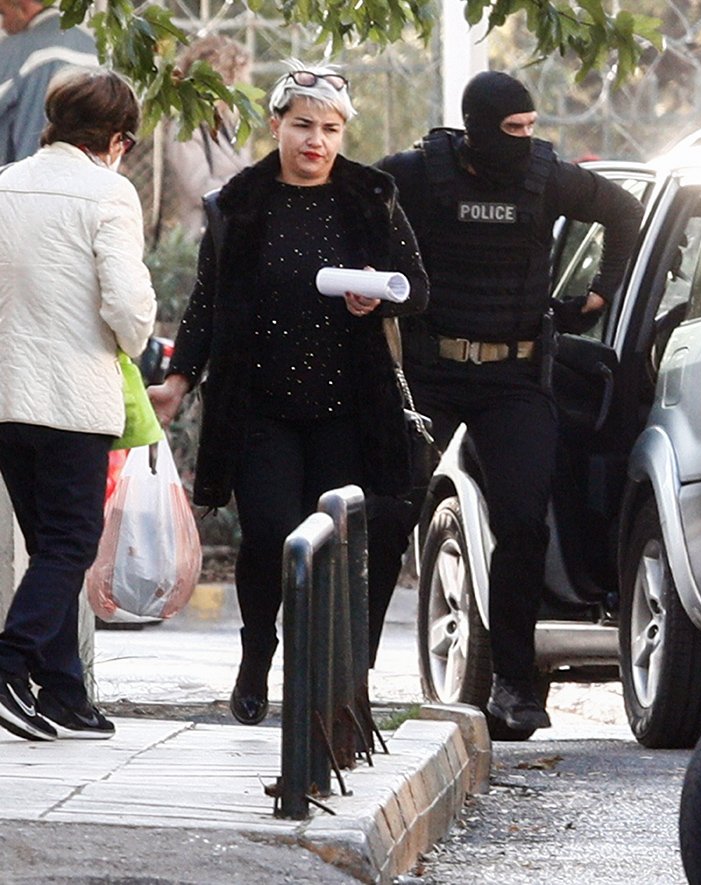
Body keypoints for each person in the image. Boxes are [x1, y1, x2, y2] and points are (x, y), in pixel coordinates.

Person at [145, 61, 429, 726]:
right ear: (276, 125)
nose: (315, 141)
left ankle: (333, 680)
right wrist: (179, 380)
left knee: (334, 546)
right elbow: (207, 302)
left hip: (348, 409)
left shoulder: (372, 196)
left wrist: (379, 295)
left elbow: (417, 287)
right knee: (270, 532)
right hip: (260, 405)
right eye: (303, 125)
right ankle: (257, 655)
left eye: (330, 129)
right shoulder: (238, 203)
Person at [376, 70, 642, 733]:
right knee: (390, 510)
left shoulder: (546, 178)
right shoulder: (417, 174)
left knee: (524, 524)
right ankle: (349, 678)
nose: (524, 139)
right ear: (476, 129)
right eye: (512, 129)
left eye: (530, 127)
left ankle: (516, 688)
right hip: (431, 373)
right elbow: (353, 209)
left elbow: (623, 212)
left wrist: (600, 292)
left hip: (515, 378)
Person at [0, 68, 155, 741]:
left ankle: (64, 693)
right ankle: (9, 664)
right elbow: (127, 304)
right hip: (72, 400)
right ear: (117, 138)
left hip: (7, 396)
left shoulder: (5, 184)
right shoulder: (109, 193)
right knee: (71, 541)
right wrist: (139, 338)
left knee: (48, 546)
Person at [158, 34, 253, 234]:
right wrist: (252, 185)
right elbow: (200, 189)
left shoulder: (228, 123)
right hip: (204, 235)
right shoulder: (186, 128)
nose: (246, 84)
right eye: (241, 78)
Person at [0, 0, 98, 163]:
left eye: (3, 13)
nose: (3, 25)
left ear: (23, 6)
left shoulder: (19, 49)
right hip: (86, 168)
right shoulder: (93, 49)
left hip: (26, 169)